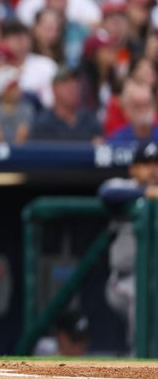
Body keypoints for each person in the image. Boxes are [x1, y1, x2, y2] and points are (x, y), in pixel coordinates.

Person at [99, 141, 158, 351]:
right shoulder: (125, 186)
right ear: (133, 168)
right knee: (139, 297)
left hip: (154, 278)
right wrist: (145, 193)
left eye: (156, 163)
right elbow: (106, 192)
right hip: (125, 279)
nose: (153, 169)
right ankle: (139, 358)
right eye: (146, 163)